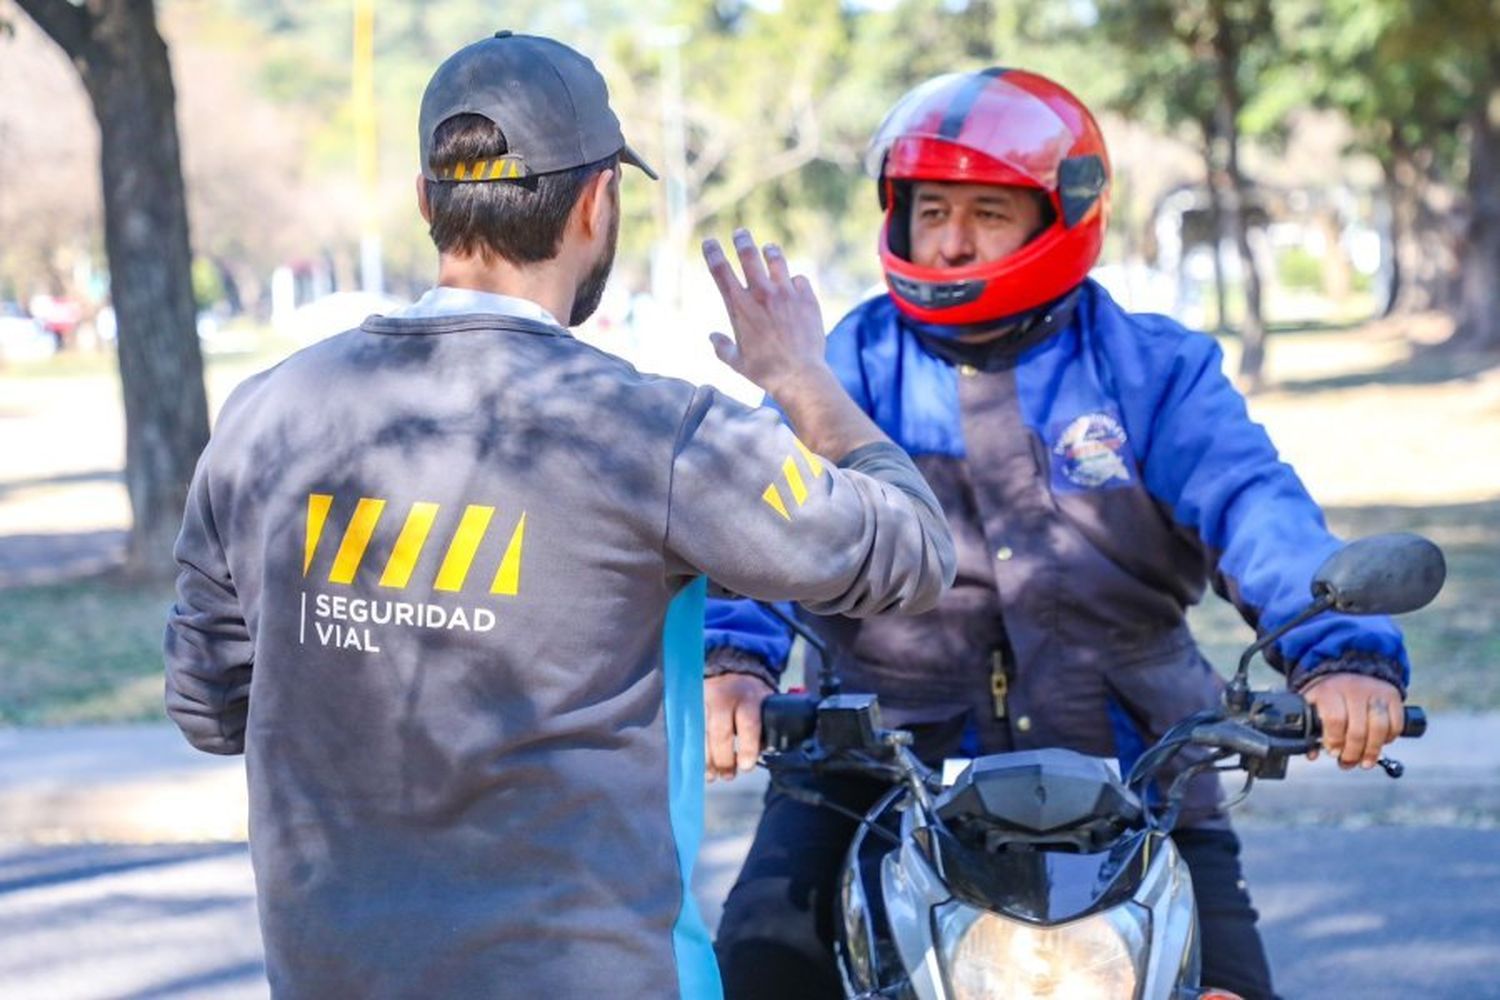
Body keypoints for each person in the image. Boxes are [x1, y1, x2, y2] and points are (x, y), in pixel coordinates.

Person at [162, 32, 955, 1000]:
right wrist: (801, 379)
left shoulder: (264, 412)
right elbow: (911, 550)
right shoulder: (653, 433)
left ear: (429, 201)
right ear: (595, 203)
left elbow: (211, 703)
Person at [704, 68, 1413, 1000]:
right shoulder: (845, 368)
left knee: (1232, 988)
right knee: (757, 964)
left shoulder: (1156, 369)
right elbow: (762, 519)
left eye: (989, 214)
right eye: (932, 212)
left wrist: (1338, 652)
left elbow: (1254, 504)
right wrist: (733, 663)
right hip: (873, 759)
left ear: (1058, 219)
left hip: (1139, 772)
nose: (952, 241)